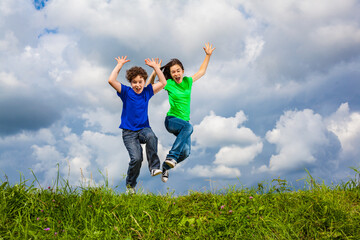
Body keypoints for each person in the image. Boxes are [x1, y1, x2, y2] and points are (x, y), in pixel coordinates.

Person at [147, 43, 215, 183]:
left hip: (184, 123)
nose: (176, 74)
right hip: (172, 120)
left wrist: (208, 55)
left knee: (186, 152)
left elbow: (201, 72)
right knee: (188, 128)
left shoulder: (187, 81)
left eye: (178, 71)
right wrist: (155, 71)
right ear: (170, 74)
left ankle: (166, 167)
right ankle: (171, 156)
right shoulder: (169, 83)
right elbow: (150, 87)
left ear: (182, 71)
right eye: (173, 72)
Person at [108, 56, 167, 194]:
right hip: (129, 133)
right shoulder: (126, 92)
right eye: (134, 82)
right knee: (137, 158)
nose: (138, 85)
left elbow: (163, 82)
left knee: (152, 137)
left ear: (144, 81)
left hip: (144, 129)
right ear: (130, 82)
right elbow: (111, 80)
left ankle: (154, 167)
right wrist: (119, 65)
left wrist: (156, 68)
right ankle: (130, 186)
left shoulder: (147, 92)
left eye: (140, 82)